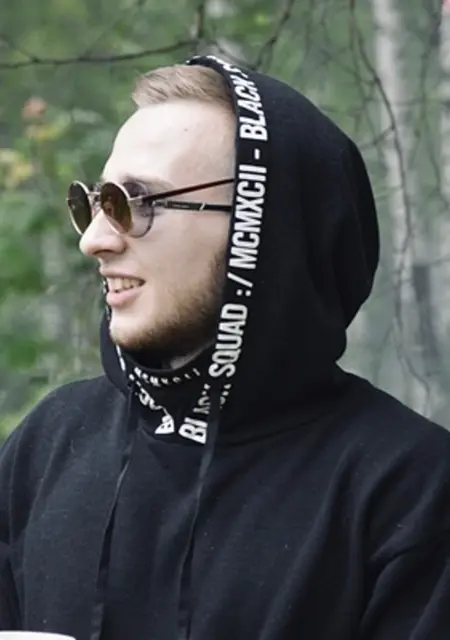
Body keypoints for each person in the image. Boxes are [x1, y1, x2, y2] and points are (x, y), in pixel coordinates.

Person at [1, 54, 450, 640]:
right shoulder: (51, 442)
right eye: (96, 202)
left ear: (260, 230)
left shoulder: (408, 491)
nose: (96, 240)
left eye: (137, 202)